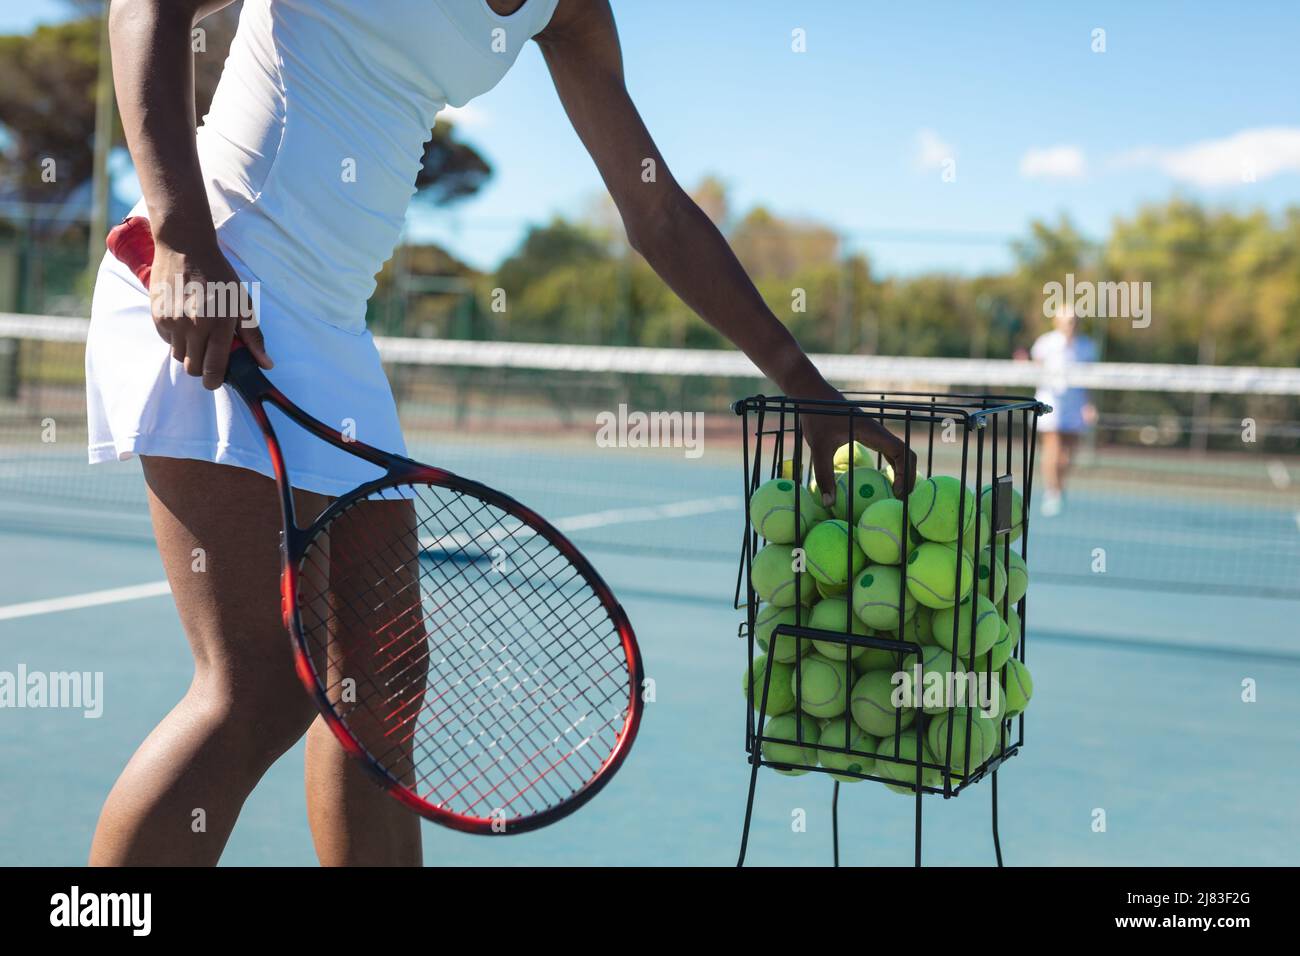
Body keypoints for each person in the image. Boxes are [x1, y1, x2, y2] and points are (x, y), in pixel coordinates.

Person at [87, 0, 913, 865]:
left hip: (330, 329)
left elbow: (653, 206)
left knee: (381, 685)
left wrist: (805, 386)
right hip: (219, 277)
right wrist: (183, 235)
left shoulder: (571, 12)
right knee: (256, 687)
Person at [1029, 304, 1098, 516]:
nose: (1072, 324)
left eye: (1075, 320)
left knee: (1068, 453)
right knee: (1052, 447)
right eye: (1068, 320)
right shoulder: (1045, 343)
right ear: (1057, 322)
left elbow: (1092, 379)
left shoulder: (1087, 347)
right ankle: (1052, 491)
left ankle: (1059, 487)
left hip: (1075, 405)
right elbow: (1034, 369)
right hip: (1051, 403)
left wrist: (1090, 405)